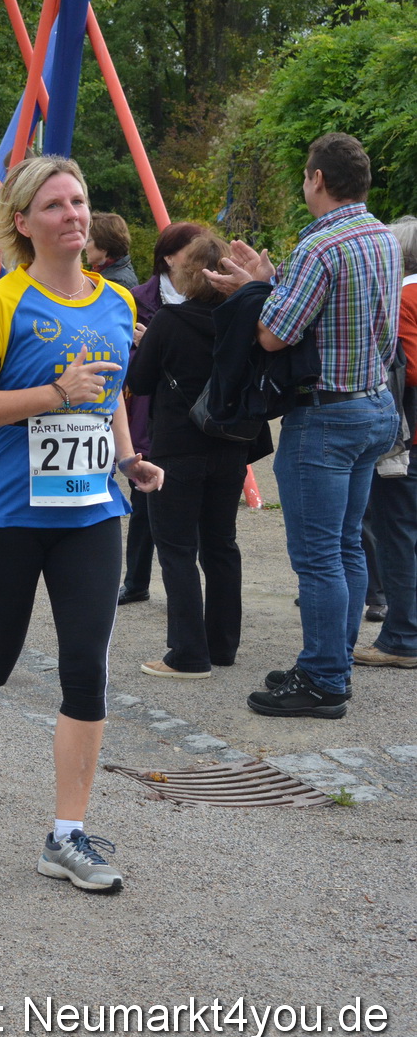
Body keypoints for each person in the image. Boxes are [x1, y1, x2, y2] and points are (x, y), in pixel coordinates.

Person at [0, 154, 162, 894]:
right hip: (7, 514)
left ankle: (66, 835)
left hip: (89, 511)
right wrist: (51, 392)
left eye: (79, 201)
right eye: (54, 205)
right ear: (23, 222)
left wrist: (129, 456)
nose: (72, 214)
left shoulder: (116, 303)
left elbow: (106, 392)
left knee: (86, 668)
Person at [206, 132, 403, 720]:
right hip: (374, 405)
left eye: (304, 175)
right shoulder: (384, 237)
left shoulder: (322, 246)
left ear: (317, 178)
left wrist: (256, 289)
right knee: (345, 545)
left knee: (318, 556)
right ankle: (332, 661)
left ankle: (322, 681)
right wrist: (274, 281)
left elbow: (274, 334)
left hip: (326, 416)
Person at [123, 229, 271, 678]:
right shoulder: (245, 321)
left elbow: (142, 384)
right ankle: (222, 644)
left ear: (189, 274)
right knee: (221, 544)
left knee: (177, 547)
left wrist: (143, 345)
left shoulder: (169, 321)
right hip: (230, 446)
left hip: (177, 447)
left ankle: (188, 653)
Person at [117, 221, 210, 604]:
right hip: (147, 408)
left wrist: (152, 340)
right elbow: (126, 360)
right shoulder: (136, 297)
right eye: (193, 247)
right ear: (170, 256)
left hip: (195, 411)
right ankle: (136, 580)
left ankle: (190, 589)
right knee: (143, 502)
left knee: (196, 509)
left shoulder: (212, 294)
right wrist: (141, 345)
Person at [357, 216, 417, 669]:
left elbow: (407, 369)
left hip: (406, 439)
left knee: (396, 533)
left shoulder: (403, 298)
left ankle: (402, 636)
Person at [86, 211, 139, 288]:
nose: (84, 247)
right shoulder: (108, 273)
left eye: (88, 240)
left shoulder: (116, 283)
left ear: (103, 244)